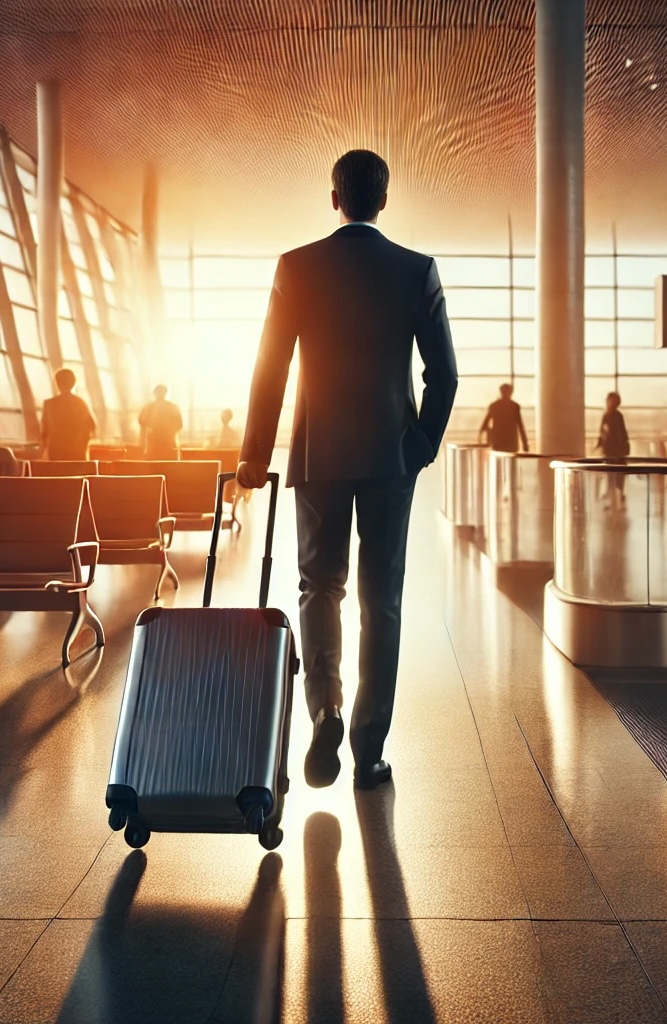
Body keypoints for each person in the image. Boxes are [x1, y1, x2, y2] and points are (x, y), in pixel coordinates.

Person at [236, 149, 457, 792]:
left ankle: (324, 708)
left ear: (335, 198)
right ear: (383, 201)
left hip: (319, 457)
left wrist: (255, 452)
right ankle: (367, 747)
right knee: (380, 601)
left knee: (318, 588)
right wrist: (417, 446)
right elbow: (443, 375)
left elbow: (269, 368)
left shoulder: (297, 267)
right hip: (390, 459)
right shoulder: (416, 270)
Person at [40, 368, 96, 461]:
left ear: (57, 383)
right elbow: (92, 426)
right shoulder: (80, 403)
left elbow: (44, 433)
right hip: (77, 454)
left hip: (56, 455)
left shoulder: (49, 404)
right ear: (73, 382)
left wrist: (42, 454)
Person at [595, 391, 629, 506]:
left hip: (613, 451)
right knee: (615, 475)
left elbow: (605, 432)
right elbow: (607, 432)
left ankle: (612, 497)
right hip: (613, 451)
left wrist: (600, 444)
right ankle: (615, 497)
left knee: (612, 474)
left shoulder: (612, 416)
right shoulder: (612, 416)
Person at [478, 383, 528, 452]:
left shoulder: (494, 406)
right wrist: (525, 444)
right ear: (511, 392)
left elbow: (485, 424)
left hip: (498, 442)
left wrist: (488, 435)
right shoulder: (515, 406)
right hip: (511, 442)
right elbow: (520, 425)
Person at [138, 385, 183, 459]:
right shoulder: (174, 408)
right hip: (168, 443)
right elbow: (179, 425)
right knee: (170, 466)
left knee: (154, 467)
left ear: (154, 393)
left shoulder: (148, 408)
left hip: (153, 444)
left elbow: (142, 423)